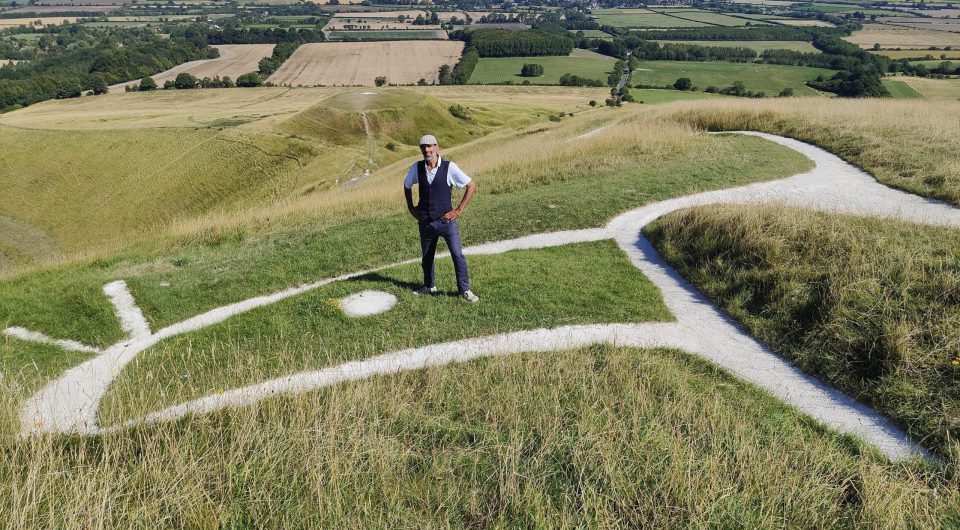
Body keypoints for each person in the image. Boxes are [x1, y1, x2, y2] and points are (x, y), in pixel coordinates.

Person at [403, 134, 479, 302]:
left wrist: (458, 210)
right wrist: (411, 207)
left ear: (436, 147)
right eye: (423, 147)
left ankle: (464, 290)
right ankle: (429, 286)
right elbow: (406, 185)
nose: (427, 150)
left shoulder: (449, 167)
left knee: (457, 255)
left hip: (447, 222)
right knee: (427, 257)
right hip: (425, 222)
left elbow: (470, 185)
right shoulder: (417, 168)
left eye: (430, 146)